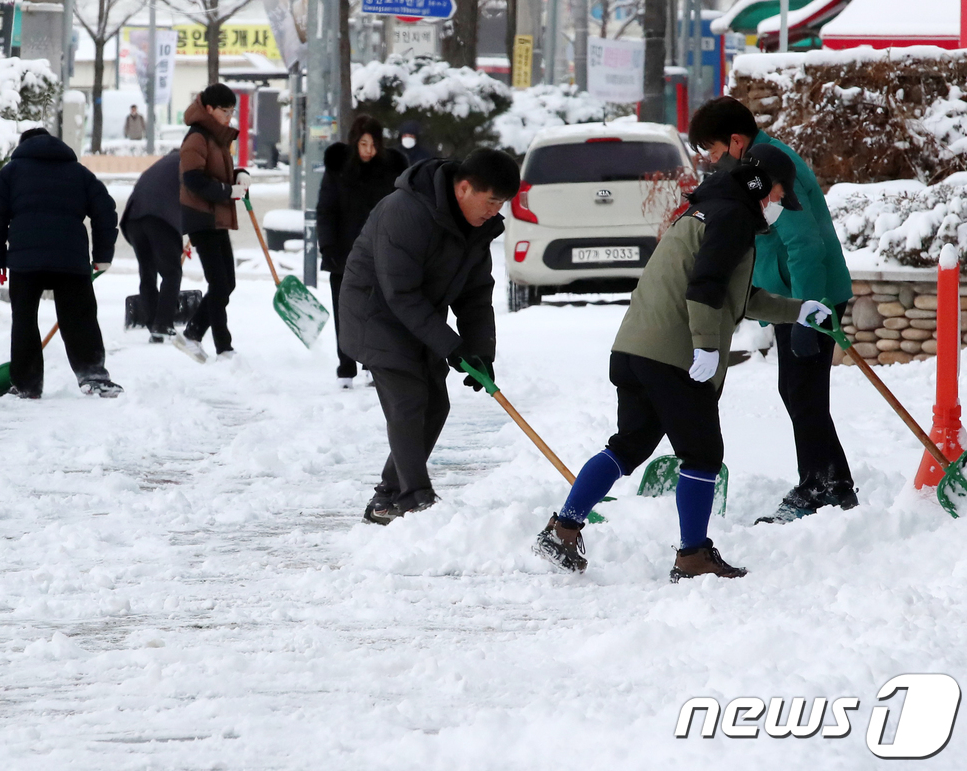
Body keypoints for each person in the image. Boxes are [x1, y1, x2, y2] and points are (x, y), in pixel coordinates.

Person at [532, 150, 834, 580]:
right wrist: (707, 346)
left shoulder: (705, 211)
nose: (779, 208)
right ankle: (692, 556)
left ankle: (563, 529)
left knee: (628, 446)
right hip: (674, 353)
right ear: (762, 186)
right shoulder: (733, 218)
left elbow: (736, 295)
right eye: (780, 197)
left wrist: (798, 309)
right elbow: (705, 287)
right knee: (704, 454)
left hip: (635, 348)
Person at [689, 96, 857, 523]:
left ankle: (818, 488)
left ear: (737, 141)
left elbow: (804, 245)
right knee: (801, 392)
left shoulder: (772, 169)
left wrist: (807, 310)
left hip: (810, 296)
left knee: (803, 392)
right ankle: (832, 483)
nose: (712, 161)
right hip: (798, 297)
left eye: (713, 151)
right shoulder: (755, 166)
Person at [339, 149, 520, 523]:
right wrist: (452, 347)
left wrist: (480, 351)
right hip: (374, 313)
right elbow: (399, 293)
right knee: (408, 399)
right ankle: (414, 498)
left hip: (418, 317)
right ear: (464, 188)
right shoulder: (404, 211)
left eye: (501, 203)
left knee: (436, 403)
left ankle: (387, 496)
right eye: (491, 201)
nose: (494, 210)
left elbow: (475, 296)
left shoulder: (476, 227)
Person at [0, 127, 122, 398]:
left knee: (24, 320)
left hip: (25, 260)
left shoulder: (11, 173)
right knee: (79, 318)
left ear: (23, 146)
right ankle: (93, 376)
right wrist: (102, 256)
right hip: (70, 258)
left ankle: (27, 385)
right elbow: (105, 210)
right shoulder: (79, 173)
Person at [318, 114, 408, 387]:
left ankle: (372, 362)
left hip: (381, 252)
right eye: (364, 144)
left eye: (374, 144)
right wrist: (328, 247)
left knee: (377, 311)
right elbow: (326, 209)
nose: (369, 150)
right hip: (343, 252)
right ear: (354, 142)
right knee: (345, 311)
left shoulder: (391, 168)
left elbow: (403, 207)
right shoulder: (338, 167)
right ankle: (346, 366)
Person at [174, 84, 249, 363]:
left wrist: (239, 176)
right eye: (224, 111)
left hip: (216, 216)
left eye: (232, 111)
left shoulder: (216, 137)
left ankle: (195, 333)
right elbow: (192, 179)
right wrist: (226, 192)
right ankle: (223, 347)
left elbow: (218, 172)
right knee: (219, 283)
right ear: (208, 109)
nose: (229, 117)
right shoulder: (197, 137)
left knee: (226, 283)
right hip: (201, 216)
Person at [121, 148, 185, 342]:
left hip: (133, 218)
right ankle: (162, 325)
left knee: (147, 273)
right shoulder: (189, 163)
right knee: (171, 273)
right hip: (159, 219)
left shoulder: (162, 164)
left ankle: (153, 324)